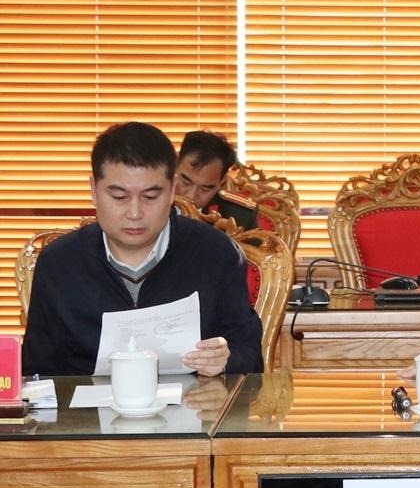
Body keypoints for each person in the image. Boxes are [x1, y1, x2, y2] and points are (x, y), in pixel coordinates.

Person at [22, 121, 264, 377]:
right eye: (119, 197)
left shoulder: (216, 254)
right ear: (94, 190)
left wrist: (225, 361)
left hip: (191, 400)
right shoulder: (59, 263)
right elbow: (35, 372)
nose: (135, 213)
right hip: (88, 401)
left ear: (172, 191)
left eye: (150, 197)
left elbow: (250, 358)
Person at [174, 130, 258, 231]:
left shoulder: (240, 216)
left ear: (222, 181)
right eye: (186, 181)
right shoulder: (156, 198)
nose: (190, 196)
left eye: (205, 188)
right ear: (175, 165)